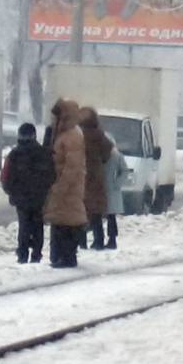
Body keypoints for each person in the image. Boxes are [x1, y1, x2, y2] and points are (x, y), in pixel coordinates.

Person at [0, 122, 56, 263]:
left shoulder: (14, 154)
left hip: (21, 198)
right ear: (33, 136)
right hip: (40, 197)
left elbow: (5, 177)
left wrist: (12, 193)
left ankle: (22, 254)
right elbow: (52, 175)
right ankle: (36, 254)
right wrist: (45, 190)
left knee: (24, 225)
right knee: (38, 225)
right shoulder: (44, 153)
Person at [43, 98, 87, 268]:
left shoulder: (72, 136)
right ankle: (61, 256)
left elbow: (72, 165)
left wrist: (60, 186)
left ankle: (66, 256)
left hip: (68, 187)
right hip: (64, 185)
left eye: (56, 117)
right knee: (61, 220)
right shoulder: (63, 134)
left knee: (67, 222)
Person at [79, 107, 114, 250]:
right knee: (96, 211)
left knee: (81, 210)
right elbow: (108, 149)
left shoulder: (78, 134)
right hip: (96, 174)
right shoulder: (99, 135)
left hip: (81, 173)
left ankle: (81, 240)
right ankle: (98, 240)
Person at [103, 136, 127, 250]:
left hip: (112, 190)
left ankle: (112, 239)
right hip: (104, 188)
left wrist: (117, 183)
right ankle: (107, 239)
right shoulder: (103, 156)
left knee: (111, 216)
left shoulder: (117, 156)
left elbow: (125, 171)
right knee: (106, 216)